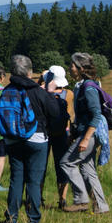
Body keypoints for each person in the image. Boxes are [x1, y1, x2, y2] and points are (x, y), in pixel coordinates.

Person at [3, 55, 61, 223]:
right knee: (34, 181)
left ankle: (11, 219)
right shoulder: (38, 91)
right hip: (37, 138)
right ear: (30, 71)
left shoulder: (7, 90)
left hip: (13, 139)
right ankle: (33, 221)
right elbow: (55, 113)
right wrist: (50, 93)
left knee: (16, 179)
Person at [59, 53, 110, 214]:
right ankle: (101, 207)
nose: (70, 68)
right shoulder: (83, 86)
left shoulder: (88, 88)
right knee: (88, 170)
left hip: (89, 135)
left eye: (72, 65)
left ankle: (81, 200)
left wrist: (85, 139)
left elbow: (96, 114)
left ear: (80, 69)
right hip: (85, 134)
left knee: (66, 163)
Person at [40, 65, 74, 209]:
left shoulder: (42, 92)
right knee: (62, 167)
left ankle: (38, 197)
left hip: (44, 133)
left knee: (40, 167)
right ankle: (62, 199)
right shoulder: (69, 94)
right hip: (62, 134)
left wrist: (43, 82)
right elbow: (70, 115)